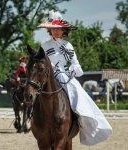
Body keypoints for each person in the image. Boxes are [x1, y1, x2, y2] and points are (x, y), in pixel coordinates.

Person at [38, 10, 112, 146]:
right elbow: (40, 62)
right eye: (53, 29)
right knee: (33, 91)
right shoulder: (44, 45)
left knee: (77, 91)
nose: (55, 32)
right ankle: (29, 115)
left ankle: (80, 118)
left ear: (63, 30)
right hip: (47, 75)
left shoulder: (68, 46)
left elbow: (76, 65)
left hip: (64, 75)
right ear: (49, 30)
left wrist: (70, 71)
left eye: (58, 29)